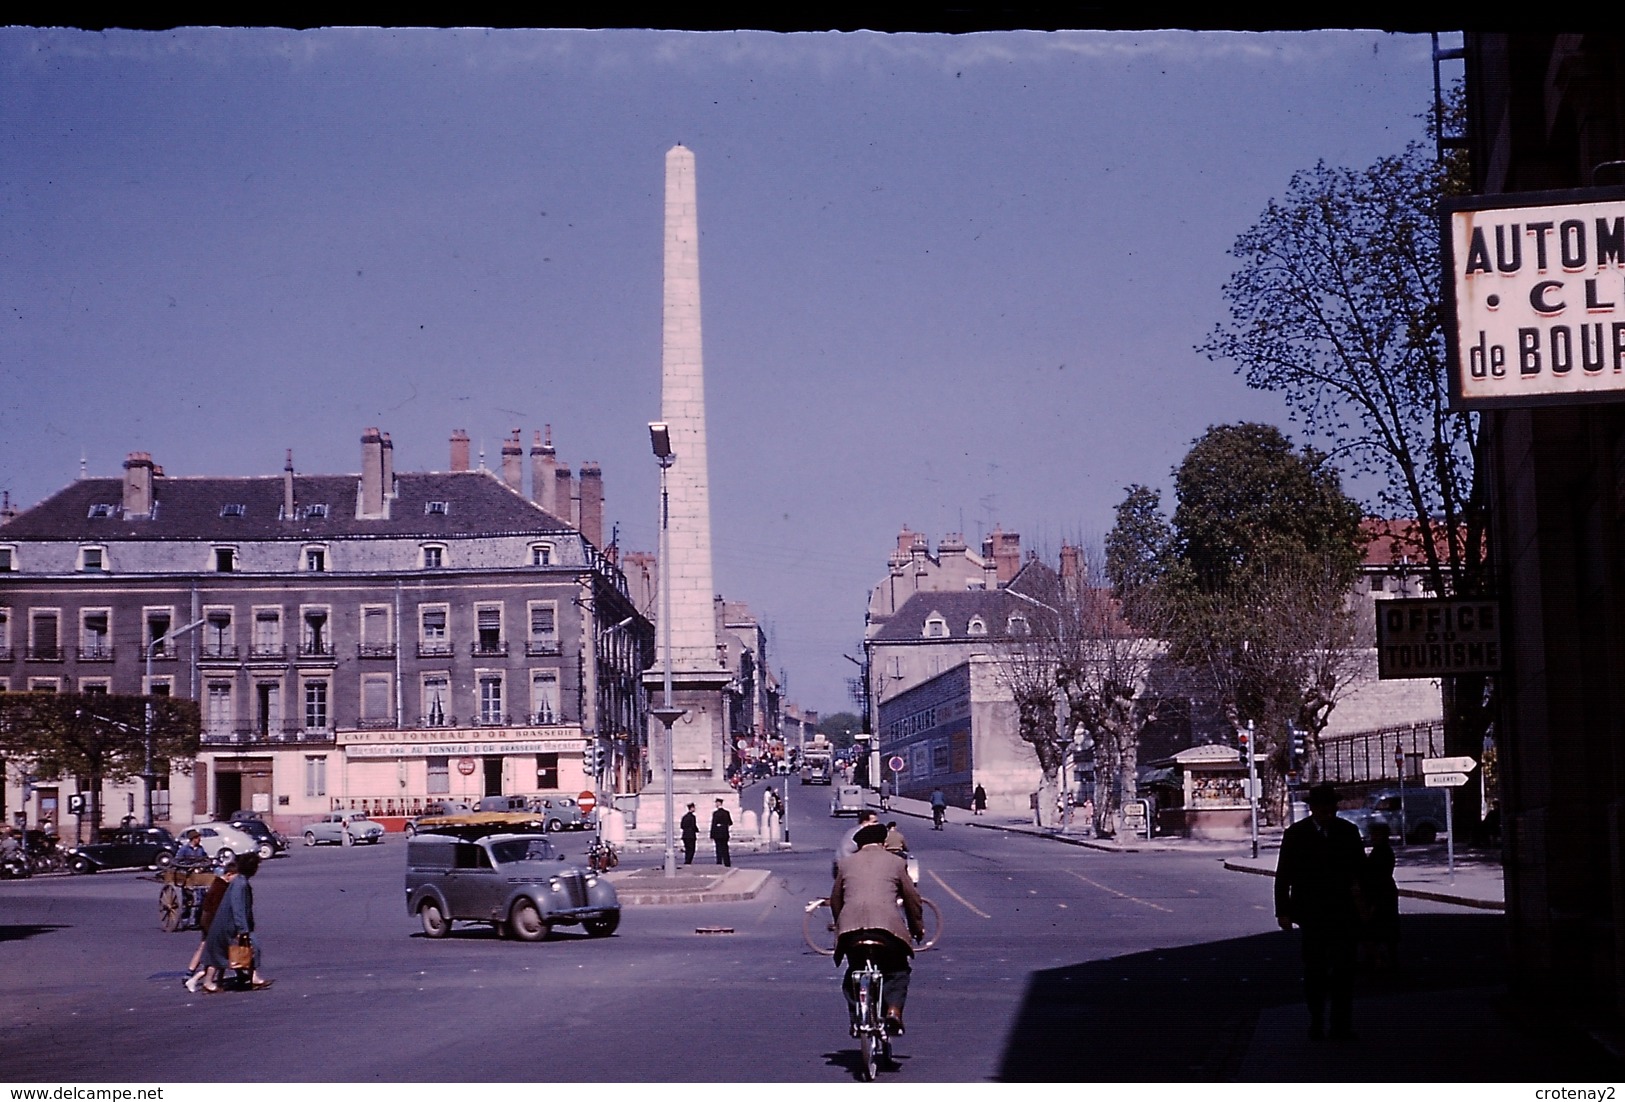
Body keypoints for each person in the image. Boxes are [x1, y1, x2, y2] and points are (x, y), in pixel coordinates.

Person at [1275, 783, 1366, 1040]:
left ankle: (1341, 1025)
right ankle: (1317, 1020)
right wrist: (1283, 911)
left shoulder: (1348, 832)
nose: (1329, 811)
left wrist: (1366, 906)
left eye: (1332, 806)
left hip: (1343, 912)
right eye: (1324, 807)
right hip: (1311, 913)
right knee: (1315, 970)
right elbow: (1284, 875)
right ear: (1313, 808)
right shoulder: (1296, 834)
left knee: (1344, 971)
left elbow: (1361, 871)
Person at [830, 823, 926, 1036]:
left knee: (853, 972)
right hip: (886, 930)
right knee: (897, 970)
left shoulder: (845, 864)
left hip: (851, 931)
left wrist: (840, 925)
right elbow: (912, 899)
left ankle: (857, 1017)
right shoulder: (896, 862)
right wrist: (917, 928)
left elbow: (836, 900)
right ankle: (893, 1011)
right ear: (883, 843)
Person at [200, 851, 272, 993]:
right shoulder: (241, 884)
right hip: (230, 926)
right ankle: (253, 978)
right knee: (251, 947)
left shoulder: (239, 881)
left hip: (224, 925)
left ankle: (210, 982)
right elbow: (238, 907)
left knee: (219, 953)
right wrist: (242, 929)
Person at [184, 860, 237, 992]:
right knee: (215, 954)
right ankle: (195, 977)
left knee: (208, 950)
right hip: (213, 924)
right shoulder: (221, 888)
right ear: (229, 874)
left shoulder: (219, 885)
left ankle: (194, 975)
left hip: (209, 922)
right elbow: (217, 909)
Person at [1361, 821, 1400, 971]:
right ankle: (1383, 959)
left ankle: (1380, 960)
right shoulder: (1380, 850)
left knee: (1376, 928)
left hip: (1382, 893)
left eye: (1376, 835)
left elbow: (1378, 874)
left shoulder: (1382, 852)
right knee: (1385, 930)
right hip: (1385, 891)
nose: (1373, 837)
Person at [173, 830, 212, 927]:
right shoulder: (184, 849)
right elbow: (178, 861)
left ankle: (197, 920)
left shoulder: (200, 849)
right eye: (198, 838)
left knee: (201, 898)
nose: (199, 839)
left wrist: (203, 865)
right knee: (187, 899)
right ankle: (185, 920)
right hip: (187, 875)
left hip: (198, 874)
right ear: (193, 839)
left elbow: (205, 859)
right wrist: (188, 866)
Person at [709, 798, 733, 867]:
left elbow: (713, 824)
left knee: (718, 848)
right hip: (725, 833)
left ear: (718, 803)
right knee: (725, 848)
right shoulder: (726, 812)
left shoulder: (715, 813)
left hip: (717, 833)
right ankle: (727, 862)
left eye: (716, 803)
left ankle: (719, 862)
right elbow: (730, 822)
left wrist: (712, 834)